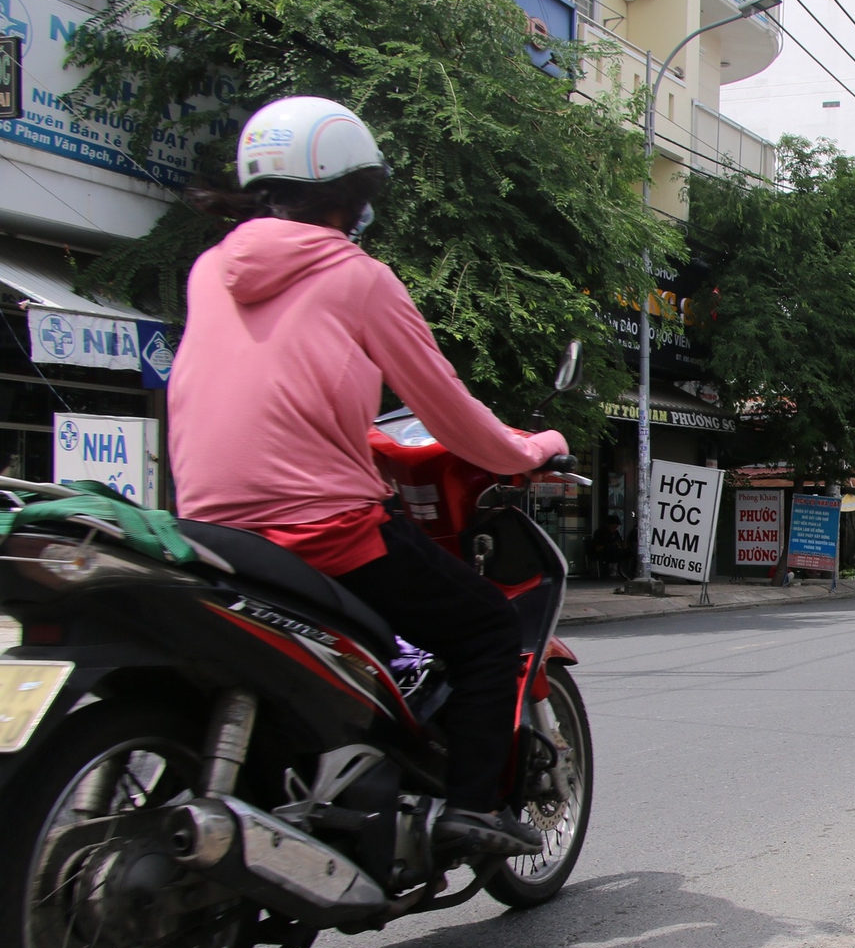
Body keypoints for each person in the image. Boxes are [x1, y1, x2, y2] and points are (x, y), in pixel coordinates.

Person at [169, 96, 568, 857]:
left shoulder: (210, 269)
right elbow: (449, 412)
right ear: (351, 191)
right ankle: (470, 812)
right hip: (324, 530)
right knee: (486, 628)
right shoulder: (359, 277)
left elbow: (264, 392)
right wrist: (531, 447)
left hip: (213, 530)